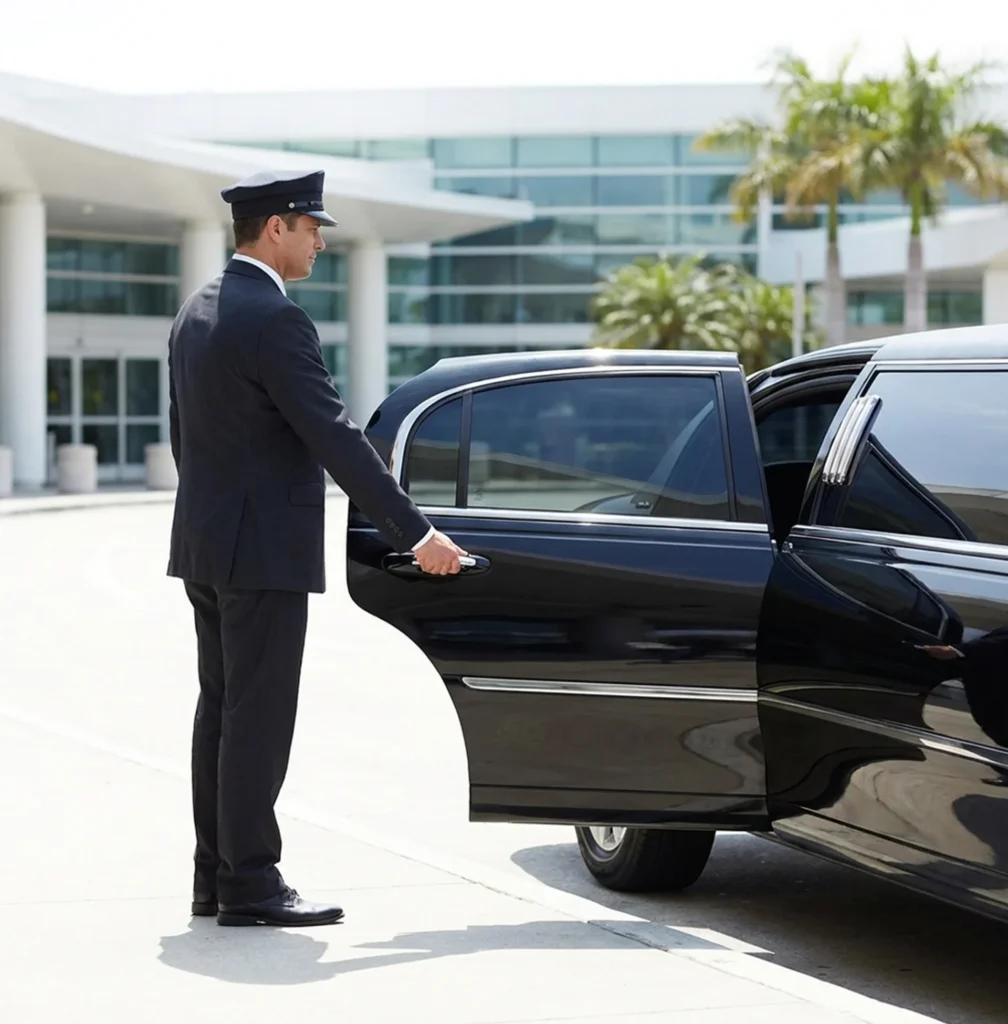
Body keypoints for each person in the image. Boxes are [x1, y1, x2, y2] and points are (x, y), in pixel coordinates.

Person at [166, 168, 466, 927]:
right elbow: (336, 436)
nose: (320, 241)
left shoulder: (195, 313)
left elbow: (185, 439)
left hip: (206, 546)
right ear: (275, 229)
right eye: (310, 227)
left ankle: (215, 878)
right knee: (256, 720)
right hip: (262, 551)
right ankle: (253, 887)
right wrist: (418, 533)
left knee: (222, 715)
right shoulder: (274, 319)